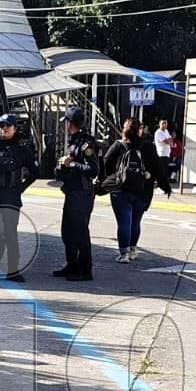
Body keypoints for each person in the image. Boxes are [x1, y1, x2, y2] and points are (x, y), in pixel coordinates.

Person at [0, 113, 39, 282]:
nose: (4, 129)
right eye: (1, 126)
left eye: (8, 126)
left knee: (11, 236)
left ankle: (13, 271)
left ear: (14, 128)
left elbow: (35, 173)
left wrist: (20, 188)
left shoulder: (22, 150)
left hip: (10, 197)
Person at [102, 118, 170, 264]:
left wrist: (112, 178)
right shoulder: (148, 146)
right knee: (136, 221)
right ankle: (133, 250)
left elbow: (106, 162)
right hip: (142, 190)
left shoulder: (118, 145)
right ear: (139, 130)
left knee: (124, 221)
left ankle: (124, 254)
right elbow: (158, 168)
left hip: (120, 189)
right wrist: (165, 186)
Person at [52, 107, 100, 281]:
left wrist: (71, 164)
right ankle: (71, 265)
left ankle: (85, 270)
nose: (64, 125)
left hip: (82, 193)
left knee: (80, 233)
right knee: (67, 231)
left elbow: (93, 170)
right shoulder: (74, 141)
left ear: (70, 123)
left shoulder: (86, 144)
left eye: (66, 122)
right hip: (72, 192)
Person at [153, 119, 175, 185]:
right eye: (163, 123)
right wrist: (170, 139)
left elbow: (170, 140)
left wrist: (170, 140)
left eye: (166, 123)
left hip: (167, 153)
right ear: (160, 124)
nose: (165, 124)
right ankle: (159, 183)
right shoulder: (158, 132)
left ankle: (163, 183)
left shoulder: (166, 131)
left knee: (165, 170)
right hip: (161, 154)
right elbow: (167, 141)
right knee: (161, 170)